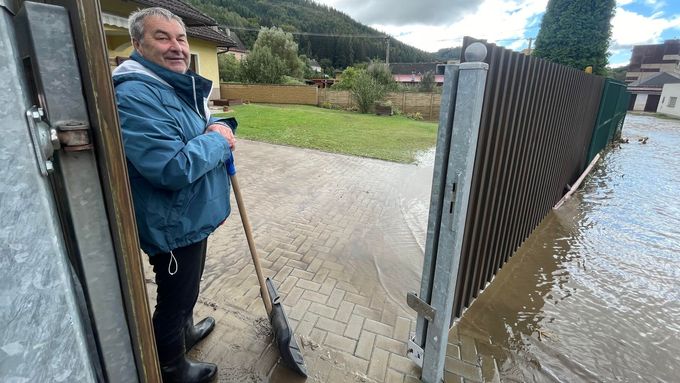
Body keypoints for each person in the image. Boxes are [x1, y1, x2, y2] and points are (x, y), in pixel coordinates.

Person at [112, 7, 236, 383]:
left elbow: (194, 129)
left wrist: (214, 124)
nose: (177, 47)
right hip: (171, 222)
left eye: (180, 38)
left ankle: (184, 334)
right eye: (162, 37)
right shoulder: (135, 93)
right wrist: (216, 140)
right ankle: (170, 367)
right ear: (137, 43)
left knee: (188, 288)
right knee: (174, 296)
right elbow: (170, 166)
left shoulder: (168, 84)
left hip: (189, 216)